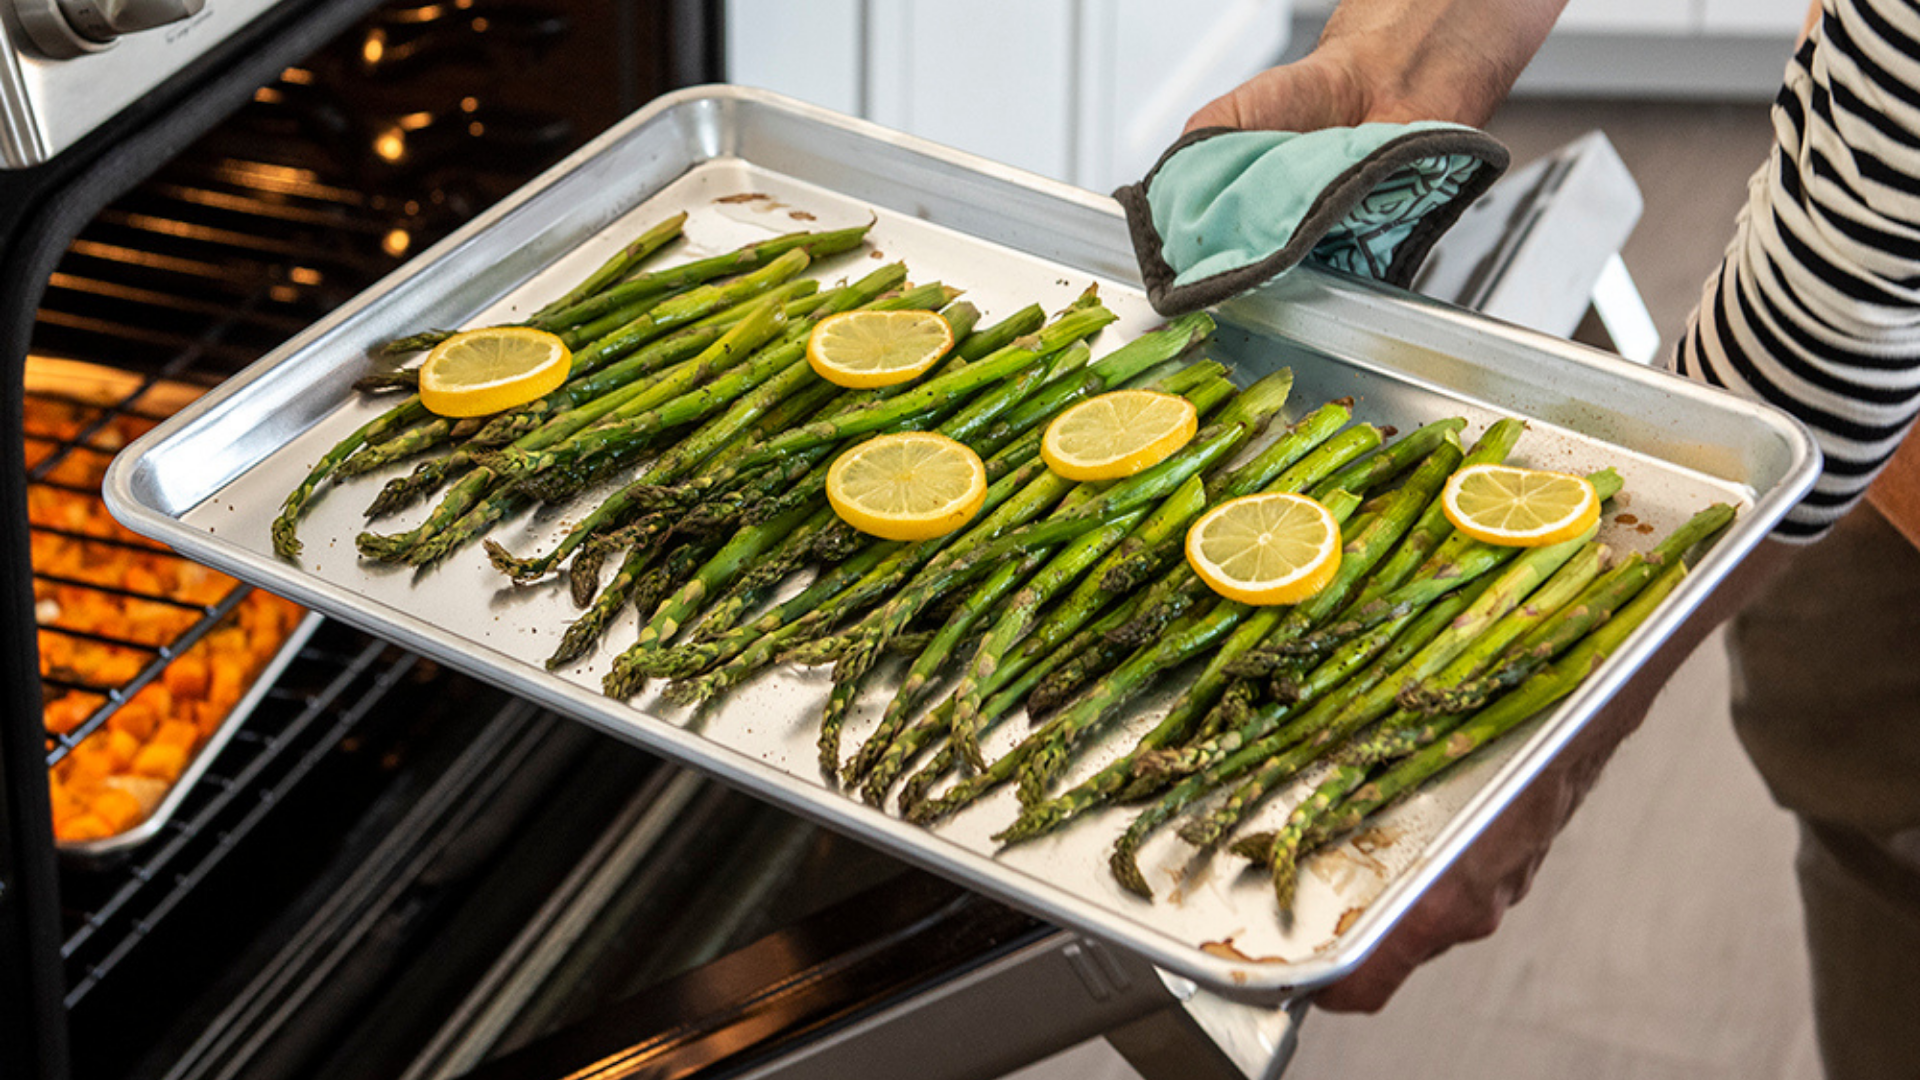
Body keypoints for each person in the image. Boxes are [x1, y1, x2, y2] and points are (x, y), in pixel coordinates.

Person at [1180, 0, 1920, 1074]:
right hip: (1876, 462)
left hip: (1850, 366)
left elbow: (1834, 313)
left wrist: (1554, 728)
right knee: (1871, 839)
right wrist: (1393, 66)